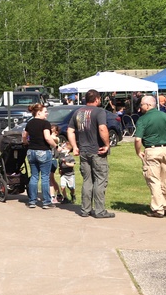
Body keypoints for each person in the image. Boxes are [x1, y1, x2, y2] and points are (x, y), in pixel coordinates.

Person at [66, 89, 114, 218]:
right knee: (100, 179)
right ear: (97, 99)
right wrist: (107, 144)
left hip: (83, 151)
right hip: (97, 151)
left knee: (87, 180)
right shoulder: (99, 112)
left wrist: (75, 146)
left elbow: (70, 130)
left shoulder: (77, 112)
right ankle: (99, 211)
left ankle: (85, 209)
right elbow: (102, 128)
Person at [134, 95, 166, 218]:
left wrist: (138, 151)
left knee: (154, 180)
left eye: (142, 105)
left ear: (148, 105)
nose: (140, 108)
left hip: (152, 150)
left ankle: (158, 209)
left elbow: (138, 139)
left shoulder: (143, 119)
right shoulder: (164, 116)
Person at [22, 103, 57, 209]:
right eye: (45, 112)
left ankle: (32, 201)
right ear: (39, 112)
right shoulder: (45, 124)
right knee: (45, 177)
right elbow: (47, 138)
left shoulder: (29, 123)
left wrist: (26, 143)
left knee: (34, 176)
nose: (47, 114)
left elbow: (24, 136)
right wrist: (56, 146)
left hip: (31, 151)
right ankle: (46, 202)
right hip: (43, 151)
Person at [54, 132, 76, 203]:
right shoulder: (61, 156)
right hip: (63, 174)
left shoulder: (70, 157)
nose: (62, 149)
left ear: (68, 150)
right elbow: (60, 164)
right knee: (62, 186)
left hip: (70, 174)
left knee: (71, 187)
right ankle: (65, 198)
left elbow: (73, 165)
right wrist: (60, 169)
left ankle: (72, 194)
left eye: (64, 148)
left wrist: (66, 163)